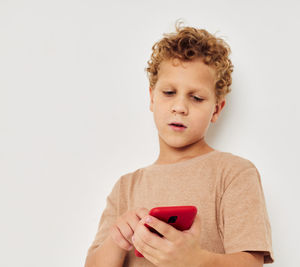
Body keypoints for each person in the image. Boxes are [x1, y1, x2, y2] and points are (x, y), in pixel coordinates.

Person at [85, 22, 274, 267]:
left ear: (216, 109)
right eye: (169, 93)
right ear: (152, 97)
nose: (180, 107)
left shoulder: (234, 173)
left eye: (196, 98)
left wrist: (194, 260)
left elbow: (251, 263)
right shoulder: (126, 188)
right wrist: (117, 241)